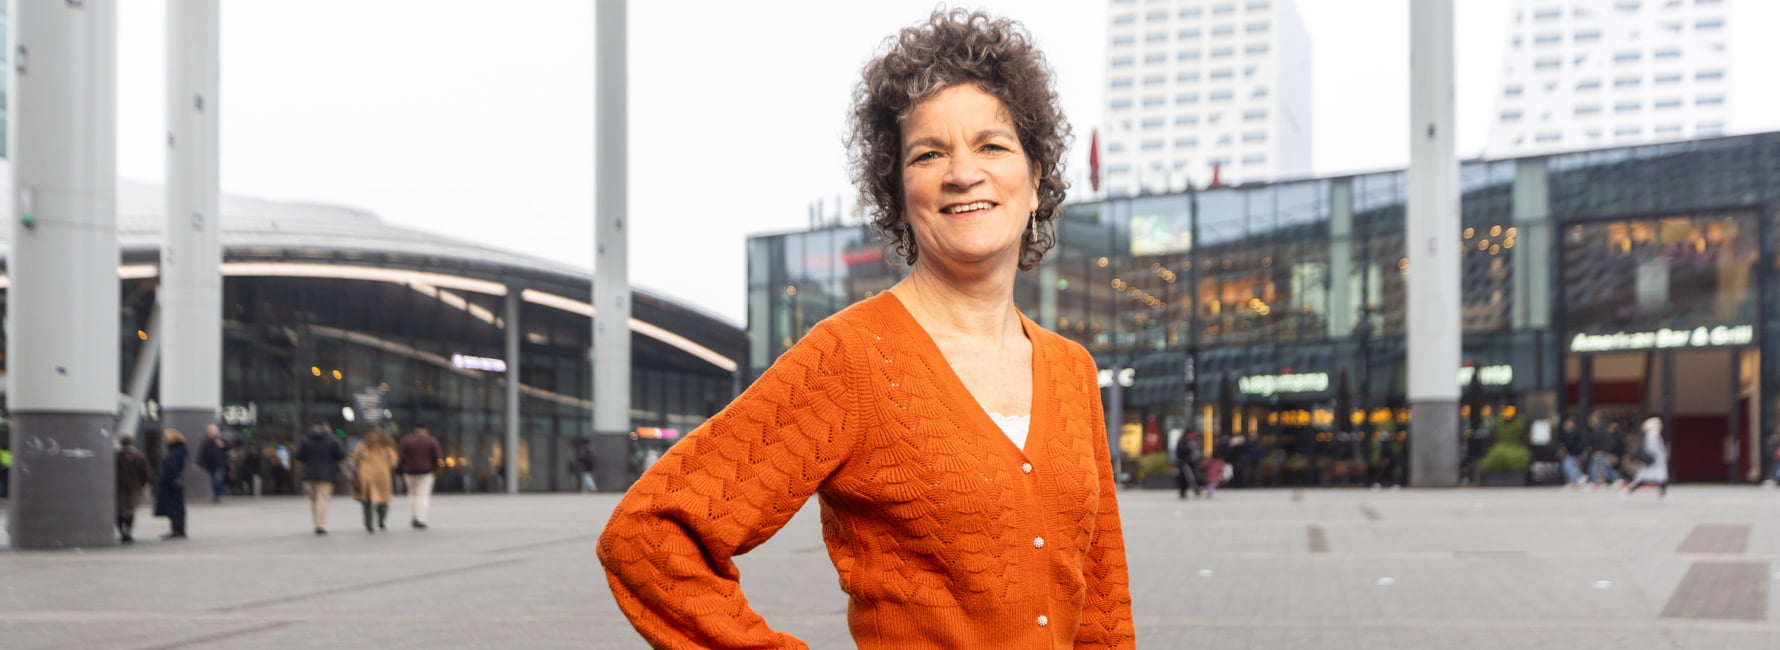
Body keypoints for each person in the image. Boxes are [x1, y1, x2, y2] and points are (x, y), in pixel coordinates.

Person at [598, 10, 1134, 648]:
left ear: (1035, 172)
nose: (964, 173)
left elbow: (1101, 599)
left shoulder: (1071, 369)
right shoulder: (850, 359)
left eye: (992, 145)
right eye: (929, 153)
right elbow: (649, 536)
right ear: (898, 190)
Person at [296, 423, 345, 535]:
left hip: (310, 474)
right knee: (322, 499)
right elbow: (341, 455)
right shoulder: (332, 439)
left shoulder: (306, 439)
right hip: (327, 474)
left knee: (314, 499)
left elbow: (299, 456)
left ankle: (316, 522)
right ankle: (320, 524)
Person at [351, 428, 400, 532]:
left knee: (367, 500)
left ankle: (368, 523)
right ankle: (381, 520)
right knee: (384, 499)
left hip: (366, 475)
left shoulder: (363, 444)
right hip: (382, 475)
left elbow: (356, 458)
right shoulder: (387, 445)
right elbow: (393, 461)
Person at [398, 424, 443, 529]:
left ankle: (414, 516)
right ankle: (421, 518)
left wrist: (406, 465)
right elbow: (438, 457)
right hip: (426, 472)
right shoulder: (431, 441)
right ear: (426, 430)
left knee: (412, 495)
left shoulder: (406, 440)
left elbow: (400, 455)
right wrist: (435, 469)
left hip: (409, 471)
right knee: (422, 496)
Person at [115, 436, 153, 543]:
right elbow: (146, 473)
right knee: (130, 511)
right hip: (134, 488)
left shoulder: (116, 456)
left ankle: (122, 532)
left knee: (119, 511)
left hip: (119, 488)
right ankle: (128, 532)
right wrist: (143, 484)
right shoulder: (139, 456)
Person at [154, 429, 190, 539]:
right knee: (176, 507)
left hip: (171, 483)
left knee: (174, 507)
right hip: (174, 482)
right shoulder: (179, 450)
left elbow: (171, 468)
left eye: (166, 437)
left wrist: (164, 478)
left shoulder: (175, 452)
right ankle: (178, 530)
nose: (165, 439)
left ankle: (177, 530)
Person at [1624, 417, 1670, 499]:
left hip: (1655, 460)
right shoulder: (1653, 434)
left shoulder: (1653, 434)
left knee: (1659, 476)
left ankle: (1663, 493)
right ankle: (1630, 490)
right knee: (1646, 477)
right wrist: (1656, 457)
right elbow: (1653, 448)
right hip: (1654, 460)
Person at [198, 423, 229, 503]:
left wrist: (223, 445)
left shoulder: (221, 440)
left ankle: (217, 494)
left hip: (220, 464)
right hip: (211, 465)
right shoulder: (207, 441)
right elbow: (203, 453)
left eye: (214, 430)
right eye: (211, 430)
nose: (213, 431)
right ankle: (216, 495)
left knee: (218, 479)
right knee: (214, 480)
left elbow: (228, 449)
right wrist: (199, 463)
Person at [1558, 416, 1589, 487]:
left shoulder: (1576, 432)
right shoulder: (1570, 432)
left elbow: (1569, 443)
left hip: (1576, 453)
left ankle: (1578, 478)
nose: (1567, 424)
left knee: (1569, 466)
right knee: (1568, 467)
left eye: (1568, 423)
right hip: (1573, 453)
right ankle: (1574, 481)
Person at [1175, 432, 1203, 499]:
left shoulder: (1184, 441)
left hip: (1186, 462)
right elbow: (1182, 452)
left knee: (1185, 478)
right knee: (1190, 477)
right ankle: (1196, 491)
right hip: (1186, 463)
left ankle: (1184, 492)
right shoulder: (1185, 442)